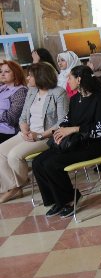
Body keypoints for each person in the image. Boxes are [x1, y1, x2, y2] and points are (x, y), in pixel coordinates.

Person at [32, 66, 101, 218]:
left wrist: (74, 129)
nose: (68, 81)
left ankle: (70, 199)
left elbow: (100, 130)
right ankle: (57, 201)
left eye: (70, 77)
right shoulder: (75, 99)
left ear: (79, 79)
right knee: (38, 162)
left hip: (91, 145)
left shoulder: (98, 99)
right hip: (74, 143)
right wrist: (60, 132)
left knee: (52, 163)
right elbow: (66, 120)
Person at [0, 63, 67, 203]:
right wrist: (24, 128)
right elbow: (23, 116)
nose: (27, 78)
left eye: (30, 75)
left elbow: (62, 122)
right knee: (0, 151)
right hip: (27, 133)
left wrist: (40, 135)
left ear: (40, 76)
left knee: (14, 155)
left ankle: (17, 186)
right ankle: (14, 187)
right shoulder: (32, 91)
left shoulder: (58, 92)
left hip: (46, 136)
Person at [0, 61, 28, 143]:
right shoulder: (2, 88)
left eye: (7, 71)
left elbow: (12, 118)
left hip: (7, 131)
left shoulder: (21, 91)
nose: (2, 74)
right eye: (1, 71)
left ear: (16, 73)